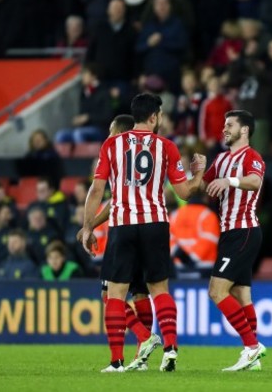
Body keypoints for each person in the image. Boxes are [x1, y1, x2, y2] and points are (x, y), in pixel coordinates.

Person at [81, 94, 206, 373]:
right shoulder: (167, 147)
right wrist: (198, 174)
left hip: (123, 223)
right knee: (158, 289)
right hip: (155, 223)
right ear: (154, 117)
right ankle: (170, 347)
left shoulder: (112, 144)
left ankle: (116, 362)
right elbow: (185, 193)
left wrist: (88, 226)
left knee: (115, 294)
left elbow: (97, 190)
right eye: (159, 114)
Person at [202, 110, 267, 371]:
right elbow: (201, 186)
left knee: (217, 291)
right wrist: (192, 172)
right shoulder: (220, 159)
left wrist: (228, 180)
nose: (224, 129)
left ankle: (251, 347)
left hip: (245, 231)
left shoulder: (252, 157)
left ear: (245, 130)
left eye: (230, 125)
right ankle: (252, 357)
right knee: (241, 294)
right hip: (229, 234)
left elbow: (254, 182)